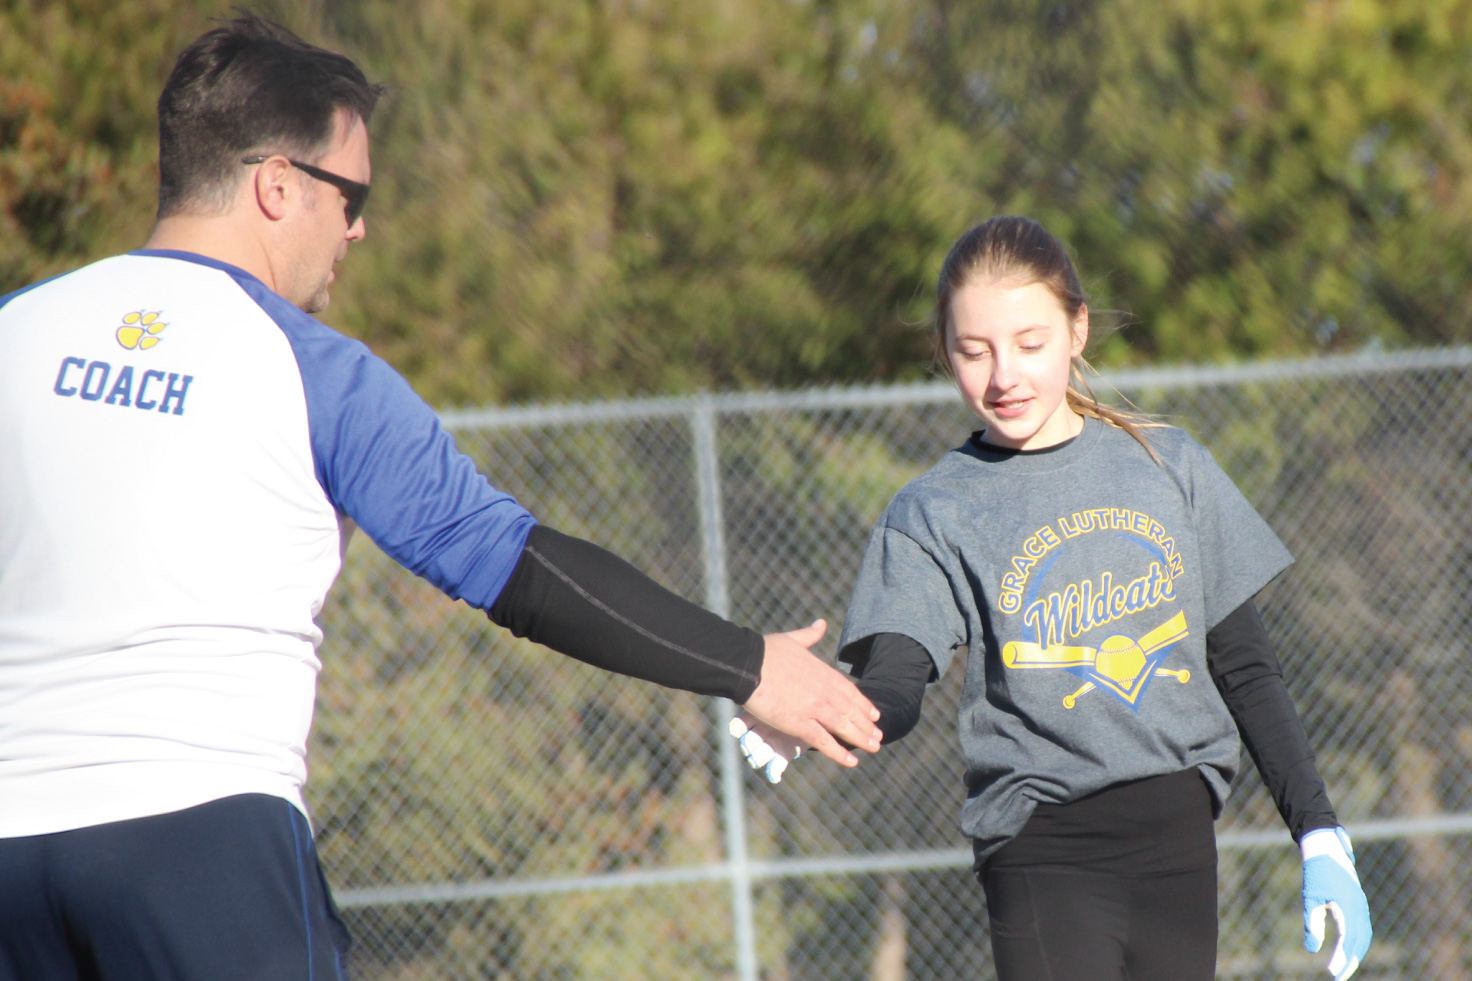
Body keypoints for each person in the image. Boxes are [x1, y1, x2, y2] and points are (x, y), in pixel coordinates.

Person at [0, 14, 882, 980]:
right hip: (200, 841)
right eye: (352, 196)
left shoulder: (19, 330)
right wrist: (750, 664)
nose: (361, 227)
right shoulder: (309, 367)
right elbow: (514, 568)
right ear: (277, 185)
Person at [730, 216, 1372, 980]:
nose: (1004, 375)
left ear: (1078, 328)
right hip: (1042, 848)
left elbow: (1245, 669)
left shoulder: (1170, 466)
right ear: (944, 352)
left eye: (1030, 343)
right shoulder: (934, 510)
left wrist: (1321, 832)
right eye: (974, 351)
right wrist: (822, 706)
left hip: (1179, 843)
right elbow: (898, 681)